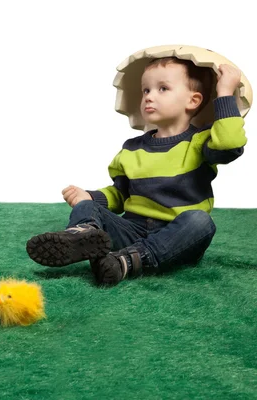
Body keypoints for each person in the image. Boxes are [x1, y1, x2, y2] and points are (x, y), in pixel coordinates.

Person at [26, 57, 246, 286]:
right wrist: (90, 197)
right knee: (87, 207)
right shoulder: (131, 148)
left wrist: (225, 94)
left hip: (177, 238)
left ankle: (126, 261)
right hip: (133, 230)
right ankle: (84, 237)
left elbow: (230, 144)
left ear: (193, 100)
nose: (149, 96)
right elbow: (120, 195)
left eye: (163, 88)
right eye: (145, 90)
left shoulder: (200, 142)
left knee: (200, 222)